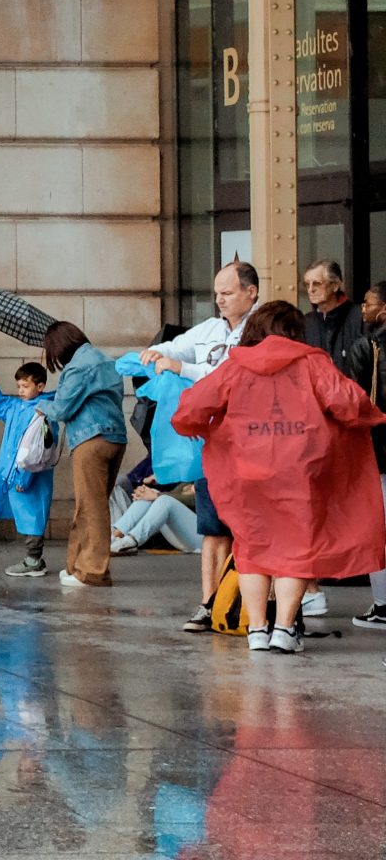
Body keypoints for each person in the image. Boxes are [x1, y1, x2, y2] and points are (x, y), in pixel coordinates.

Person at [172, 300, 386, 654]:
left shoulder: (236, 366)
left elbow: (194, 405)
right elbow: (350, 403)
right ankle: (284, 630)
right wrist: (373, 417)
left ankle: (257, 630)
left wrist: (192, 425)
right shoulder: (312, 362)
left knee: (252, 549)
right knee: (297, 551)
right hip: (302, 473)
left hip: (246, 473)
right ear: (295, 331)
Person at [146, 260, 257, 632]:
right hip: (212, 441)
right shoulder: (211, 327)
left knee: (249, 526)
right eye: (216, 293)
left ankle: (254, 607)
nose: (219, 300)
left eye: (226, 293)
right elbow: (177, 347)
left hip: (249, 440)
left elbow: (231, 377)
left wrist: (182, 369)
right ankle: (209, 602)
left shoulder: (260, 330)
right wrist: (155, 354)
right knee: (212, 527)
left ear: (250, 292)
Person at [42, 320, 129, 589]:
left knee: (91, 507)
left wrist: (41, 406)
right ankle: (76, 566)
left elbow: (62, 410)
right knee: (92, 504)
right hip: (115, 437)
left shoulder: (78, 366)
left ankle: (92, 571)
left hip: (91, 440)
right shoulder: (104, 359)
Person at [0, 359, 57, 576]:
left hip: (28, 476)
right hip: (16, 473)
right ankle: (33, 558)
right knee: (29, 515)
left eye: (25, 386)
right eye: (18, 386)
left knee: (33, 517)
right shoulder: (19, 407)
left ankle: (34, 560)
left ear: (40, 386)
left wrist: (22, 479)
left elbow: (37, 455)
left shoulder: (42, 412)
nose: (20, 391)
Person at [340, 280, 386, 629]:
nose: (363, 310)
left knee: (378, 526)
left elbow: (352, 400)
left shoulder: (366, 347)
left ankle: (383, 605)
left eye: (368, 304)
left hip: (379, 449)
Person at [110, 455, 201, 556]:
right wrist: (149, 494)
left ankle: (131, 540)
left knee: (164, 500)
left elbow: (194, 500)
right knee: (152, 495)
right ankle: (115, 535)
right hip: (186, 536)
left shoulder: (214, 476)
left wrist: (156, 495)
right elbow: (174, 494)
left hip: (204, 539)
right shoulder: (195, 476)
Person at [302, 259, 358, 369]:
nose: (310, 290)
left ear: (335, 285)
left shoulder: (359, 317)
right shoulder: (305, 322)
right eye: (307, 284)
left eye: (317, 284)